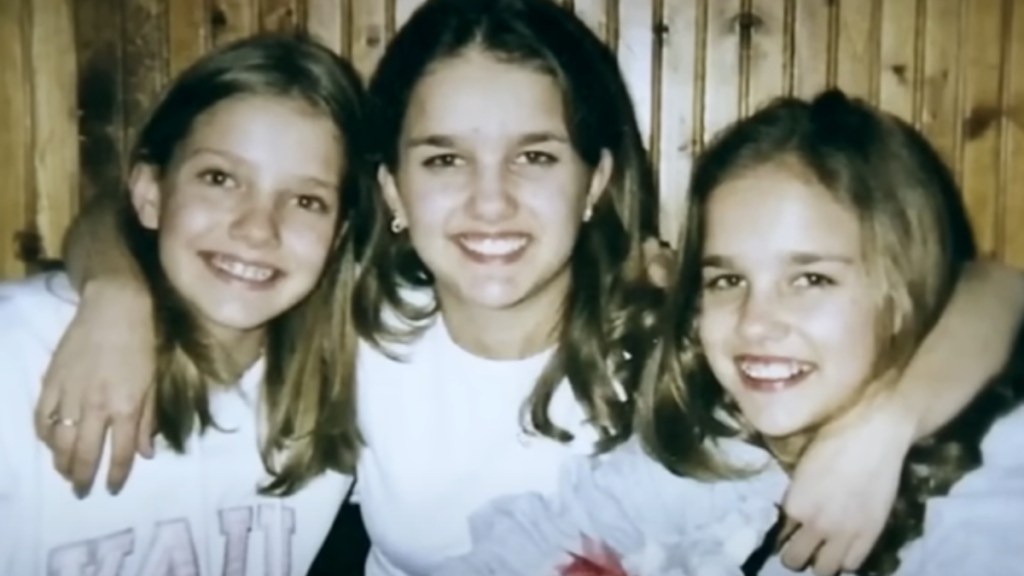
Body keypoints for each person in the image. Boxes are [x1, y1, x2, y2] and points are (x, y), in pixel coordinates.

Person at [31, 1, 1024, 575]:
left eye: (536, 156)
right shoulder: (336, 314)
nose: (491, 203)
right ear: (391, 191)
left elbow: (986, 285)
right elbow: (148, 216)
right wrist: (114, 295)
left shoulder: (688, 336)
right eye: (445, 159)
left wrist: (885, 421)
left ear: (596, 183)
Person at [429, 90, 1024, 576]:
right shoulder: (716, 452)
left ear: (904, 288)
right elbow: (531, 545)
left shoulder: (988, 497)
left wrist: (883, 428)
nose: (755, 322)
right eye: (727, 280)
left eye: (811, 278)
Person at [0, 33, 372, 576]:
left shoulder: (355, 379)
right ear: (150, 193)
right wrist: (113, 291)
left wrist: (113, 286)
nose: (257, 229)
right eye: (220, 179)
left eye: (306, 200)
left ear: (337, 236)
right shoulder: (18, 352)